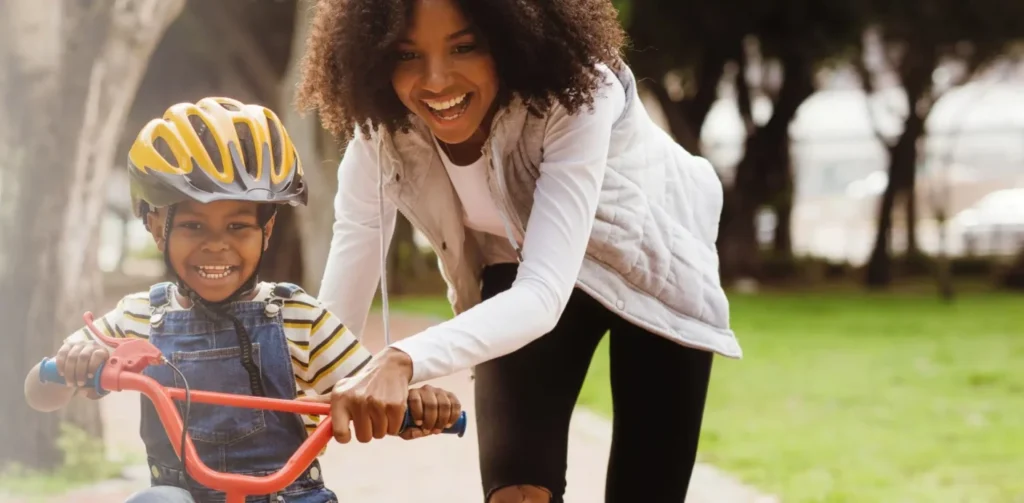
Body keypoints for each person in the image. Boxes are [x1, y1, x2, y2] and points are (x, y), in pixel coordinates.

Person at [297, 0, 743, 501]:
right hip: (519, 265)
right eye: (407, 55)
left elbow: (544, 294)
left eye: (465, 47)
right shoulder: (382, 132)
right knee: (516, 495)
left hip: (653, 273)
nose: (436, 80)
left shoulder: (579, 93)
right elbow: (354, 250)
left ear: (510, 39)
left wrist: (403, 360)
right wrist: (311, 390)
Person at [23, 97, 463, 503]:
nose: (217, 245)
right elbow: (39, 392)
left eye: (238, 227)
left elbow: (368, 389)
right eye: (193, 226)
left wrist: (415, 406)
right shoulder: (139, 318)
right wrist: (72, 365)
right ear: (156, 227)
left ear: (266, 230)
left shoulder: (299, 318)